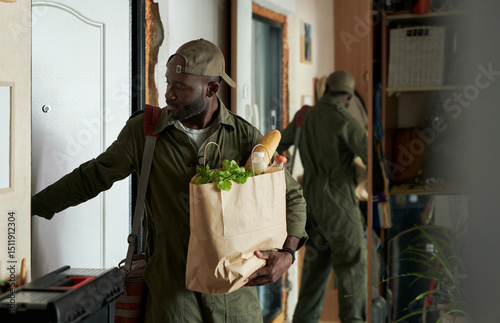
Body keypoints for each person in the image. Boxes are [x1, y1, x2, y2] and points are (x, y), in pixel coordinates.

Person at [32, 38, 308, 322]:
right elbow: (92, 176)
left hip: (234, 299)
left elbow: (292, 197)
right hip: (171, 297)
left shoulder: (245, 136)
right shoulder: (145, 132)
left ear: (211, 89)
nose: (169, 94)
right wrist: (29, 207)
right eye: (168, 83)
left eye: (181, 87)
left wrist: (288, 253)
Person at [278, 70, 368, 323]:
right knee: (353, 265)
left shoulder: (305, 115)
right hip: (339, 203)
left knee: (314, 274)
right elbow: (372, 155)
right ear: (348, 97)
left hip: (310, 204)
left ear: (326, 89)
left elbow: (279, 142)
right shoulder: (345, 120)